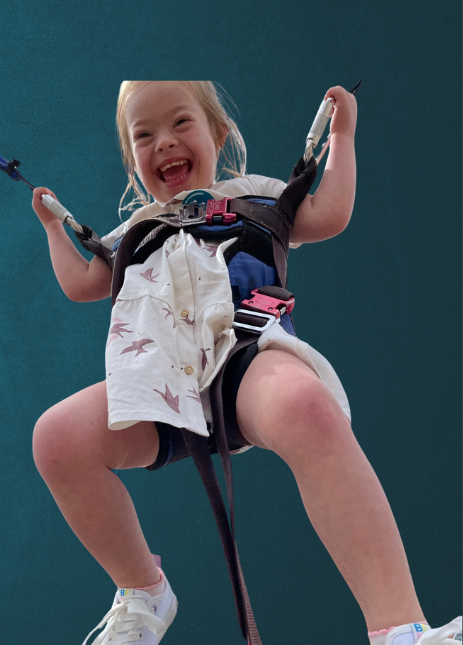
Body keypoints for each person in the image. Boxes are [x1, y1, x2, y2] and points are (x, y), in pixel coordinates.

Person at [27, 81, 460, 645]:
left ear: (218, 135)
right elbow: (83, 283)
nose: (164, 143)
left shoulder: (256, 194)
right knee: (56, 438)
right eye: (144, 135)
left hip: (246, 361)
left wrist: (343, 138)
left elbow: (328, 214)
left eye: (180, 124)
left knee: (308, 406)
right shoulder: (135, 229)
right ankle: (143, 593)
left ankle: (401, 629)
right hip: (162, 386)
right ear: (133, 161)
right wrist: (54, 228)